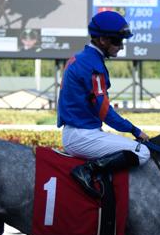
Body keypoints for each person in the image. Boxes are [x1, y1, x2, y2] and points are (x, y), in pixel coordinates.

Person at [58, 10, 150, 198]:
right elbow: (104, 112)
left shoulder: (82, 58)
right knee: (142, 152)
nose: (121, 46)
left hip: (77, 131)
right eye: (117, 41)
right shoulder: (93, 66)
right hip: (81, 135)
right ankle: (87, 171)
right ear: (102, 40)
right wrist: (134, 130)